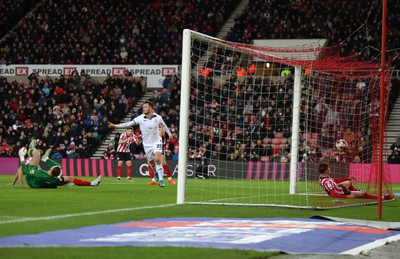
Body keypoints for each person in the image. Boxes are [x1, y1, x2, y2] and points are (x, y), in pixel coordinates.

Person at [108, 101, 172, 187]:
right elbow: (128, 124)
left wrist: (170, 134)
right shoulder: (140, 118)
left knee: (157, 159)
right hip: (147, 144)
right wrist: (115, 126)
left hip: (157, 141)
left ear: (151, 108)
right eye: (143, 107)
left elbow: (164, 126)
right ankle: (156, 173)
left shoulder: (158, 117)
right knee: (152, 163)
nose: (143, 108)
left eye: (145, 107)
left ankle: (161, 180)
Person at [16, 141, 101, 188]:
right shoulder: (55, 180)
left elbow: (25, 171)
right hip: (46, 181)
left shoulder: (38, 173)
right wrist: (64, 181)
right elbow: (58, 176)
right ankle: (92, 184)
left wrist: (22, 158)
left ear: (50, 169)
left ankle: (32, 150)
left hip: (32, 181)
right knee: (70, 178)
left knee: (37, 152)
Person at [318, 163, 394, 200]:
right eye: (329, 168)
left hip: (338, 187)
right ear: (326, 170)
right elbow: (333, 194)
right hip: (343, 192)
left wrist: (348, 178)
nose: (330, 169)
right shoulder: (327, 181)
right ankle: (383, 197)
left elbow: (335, 180)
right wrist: (346, 196)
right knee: (363, 194)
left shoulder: (322, 177)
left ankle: (356, 191)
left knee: (348, 182)